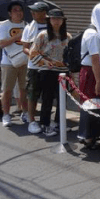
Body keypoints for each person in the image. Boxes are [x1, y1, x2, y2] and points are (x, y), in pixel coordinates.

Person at [30, 9, 72, 137]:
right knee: (47, 98)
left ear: (63, 21)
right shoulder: (43, 35)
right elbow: (33, 53)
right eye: (53, 18)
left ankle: (59, 123)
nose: (56, 21)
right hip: (47, 71)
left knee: (62, 99)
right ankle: (45, 124)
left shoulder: (68, 36)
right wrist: (45, 62)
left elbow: (70, 55)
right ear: (49, 20)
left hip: (64, 71)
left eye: (59, 19)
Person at [78, 3, 100, 149]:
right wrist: (98, 81)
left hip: (99, 71)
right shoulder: (92, 34)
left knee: (96, 102)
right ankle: (88, 138)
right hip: (92, 72)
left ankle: (92, 134)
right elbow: (95, 59)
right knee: (90, 103)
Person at [0, 1, 29, 128]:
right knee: (7, 90)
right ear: (10, 13)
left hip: (25, 61)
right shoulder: (4, 26)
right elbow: (1, 44)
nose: (19, 12)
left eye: (20, 10)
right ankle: (6, 114)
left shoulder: (27, 25)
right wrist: (18, 36)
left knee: (24, 89)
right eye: (15, 10)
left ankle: (25, 112)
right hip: (8, 62)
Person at [21, 2, 49, 134]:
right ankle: (31, 120)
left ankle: (47, 121)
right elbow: (24, 47)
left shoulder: (52, 24)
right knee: (32, 94)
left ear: (44, 12)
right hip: (34, 66)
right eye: (32, 11)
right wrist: (31, 53)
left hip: (51, 65)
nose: (32, 14)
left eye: (35, 11)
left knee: (49, 95)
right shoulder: (29, 27)